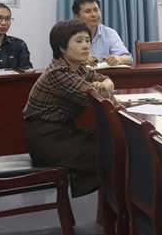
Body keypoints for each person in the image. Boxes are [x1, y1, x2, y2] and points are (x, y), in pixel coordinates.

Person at [22, 20, 115, 198]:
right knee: (113, 147)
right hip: (48, 140)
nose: (86, 45)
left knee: (113, 140)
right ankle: (115, 206)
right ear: (62, 48)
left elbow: (103, 78)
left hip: (66, 132)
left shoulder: (78, 68)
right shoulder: (59, 72)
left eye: (88, 40)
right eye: (79, 41)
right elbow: (97, 99)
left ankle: (112, 206)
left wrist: (105, 85)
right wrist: (105, 87)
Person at [72, 0, 132, 66]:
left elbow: (128, 58)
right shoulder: (69, 34)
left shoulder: (109, 33)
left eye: (96, 10)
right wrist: (81, 59)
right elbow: (63, 59)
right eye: (88, 11)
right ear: (77, 17)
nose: (94, 15)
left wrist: (118, 59)